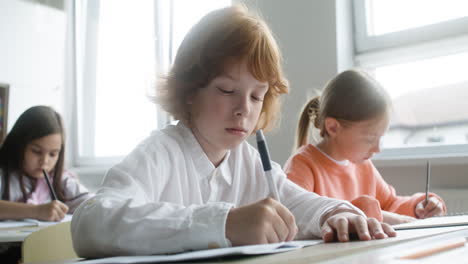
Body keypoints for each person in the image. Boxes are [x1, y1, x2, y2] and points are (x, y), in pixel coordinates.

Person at [71, 5, 396, 258]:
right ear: (189, 91)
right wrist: (223, 223)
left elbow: (294, 201)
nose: (244, 109)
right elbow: (91, 223)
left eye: (257, 96)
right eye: (227, 90)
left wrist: (335, 213)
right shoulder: (162, 152)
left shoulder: (249, 160)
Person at [284, 69, 446, 225]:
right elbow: (296, 218)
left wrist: (418, 206)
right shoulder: (303, 165)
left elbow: (390, 203)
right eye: (370, 139)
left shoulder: (363, 166)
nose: (377, 149)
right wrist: (371, 213)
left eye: (380, 138)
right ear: (333, 128)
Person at [0, 105, 92, 263]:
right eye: (36, 151)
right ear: (18, 144)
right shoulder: (4, 175)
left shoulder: (61, 179)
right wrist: (36, 211)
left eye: (53, 154)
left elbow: (93, 203)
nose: (45, 161)